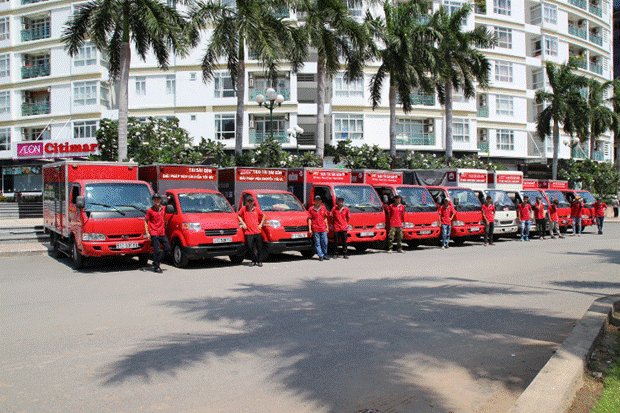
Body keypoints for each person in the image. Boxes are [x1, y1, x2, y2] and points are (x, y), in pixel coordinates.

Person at [144, 193, 170, 273]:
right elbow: (145, 221)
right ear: (153, 201)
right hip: (154, 233)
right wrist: (147, 232)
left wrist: (169, 197)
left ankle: (156, 260)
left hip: (162, 232)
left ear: (160, 200)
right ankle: (156, 267)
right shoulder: (150, 210)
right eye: (155, 200)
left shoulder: (163, 208)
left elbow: (167, 201)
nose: (157, 201)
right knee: (157, 250)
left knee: (167, 248)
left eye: (158, 199)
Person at [237, 197, 265, 267]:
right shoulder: (243, 208)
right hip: (248, 232)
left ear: (253, 202)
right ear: (246, 202)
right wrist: (243, 223)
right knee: (250, 247)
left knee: (259, 247)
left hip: (257, 231)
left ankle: (259, 261)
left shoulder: (257, 209)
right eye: (248, 201)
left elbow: (263, 216)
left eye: (251, 202)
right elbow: (238, 216)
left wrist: (261, 224)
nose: (250, 203)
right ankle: (254, 260)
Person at [308, 195, 329, 261]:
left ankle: (325, 254)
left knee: (325, 242)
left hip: (323, 228)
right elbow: (309, 219)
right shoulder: (311, 209)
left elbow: (325, 218)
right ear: (314, 201)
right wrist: (310, 229)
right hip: (315, 228)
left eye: (319, 200)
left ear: (321, 201)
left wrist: (327, 227)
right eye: (316, 200)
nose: (317, 201)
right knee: (317, 243)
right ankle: (320, 255)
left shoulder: (323, 208)